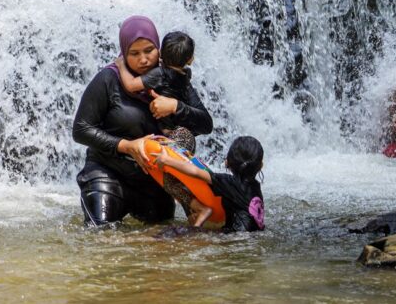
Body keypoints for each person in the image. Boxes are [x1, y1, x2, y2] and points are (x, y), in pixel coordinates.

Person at [72, 16, 214, 226]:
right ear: (124, 52)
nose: (144, 59)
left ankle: (190, 204)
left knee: (165, 240)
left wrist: (176, 106)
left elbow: (205, 124)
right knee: (100, 237)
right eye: (134, 53)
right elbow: (81, 129)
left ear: (160, 50)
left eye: (149, 51)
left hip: (154, 183)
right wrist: (127, 146)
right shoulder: (109, 79)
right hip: (108, 174)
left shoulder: (172, 78)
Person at [115, 31, 212, 225]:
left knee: (167, 175)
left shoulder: (158, 74)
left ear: (160, 54)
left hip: (172, 138)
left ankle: (199, 207)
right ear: (190, 60)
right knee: (178, 175)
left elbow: (131, 85)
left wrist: (120, 65)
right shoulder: (185, 76)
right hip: (184, 136)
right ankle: (196, 212)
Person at [151, 135, 266, 232]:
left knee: (164, 234)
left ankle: (201, 212)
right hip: (254, 235)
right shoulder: (255, 186)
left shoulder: (229, 183)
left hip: (236, 239)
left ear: (227, 162)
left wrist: (167, 160)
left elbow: (195, 172)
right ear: (260, 166)